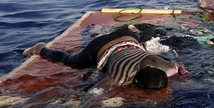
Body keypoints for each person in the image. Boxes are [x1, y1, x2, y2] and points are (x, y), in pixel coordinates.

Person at [22, 24, 188, 90]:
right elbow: (95, 91)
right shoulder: (120, 77)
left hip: (128, 36)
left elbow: (178, 65)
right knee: (69, 60)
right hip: (100, 47)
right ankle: (41, 49)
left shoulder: (167, 66)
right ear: (135, 80)